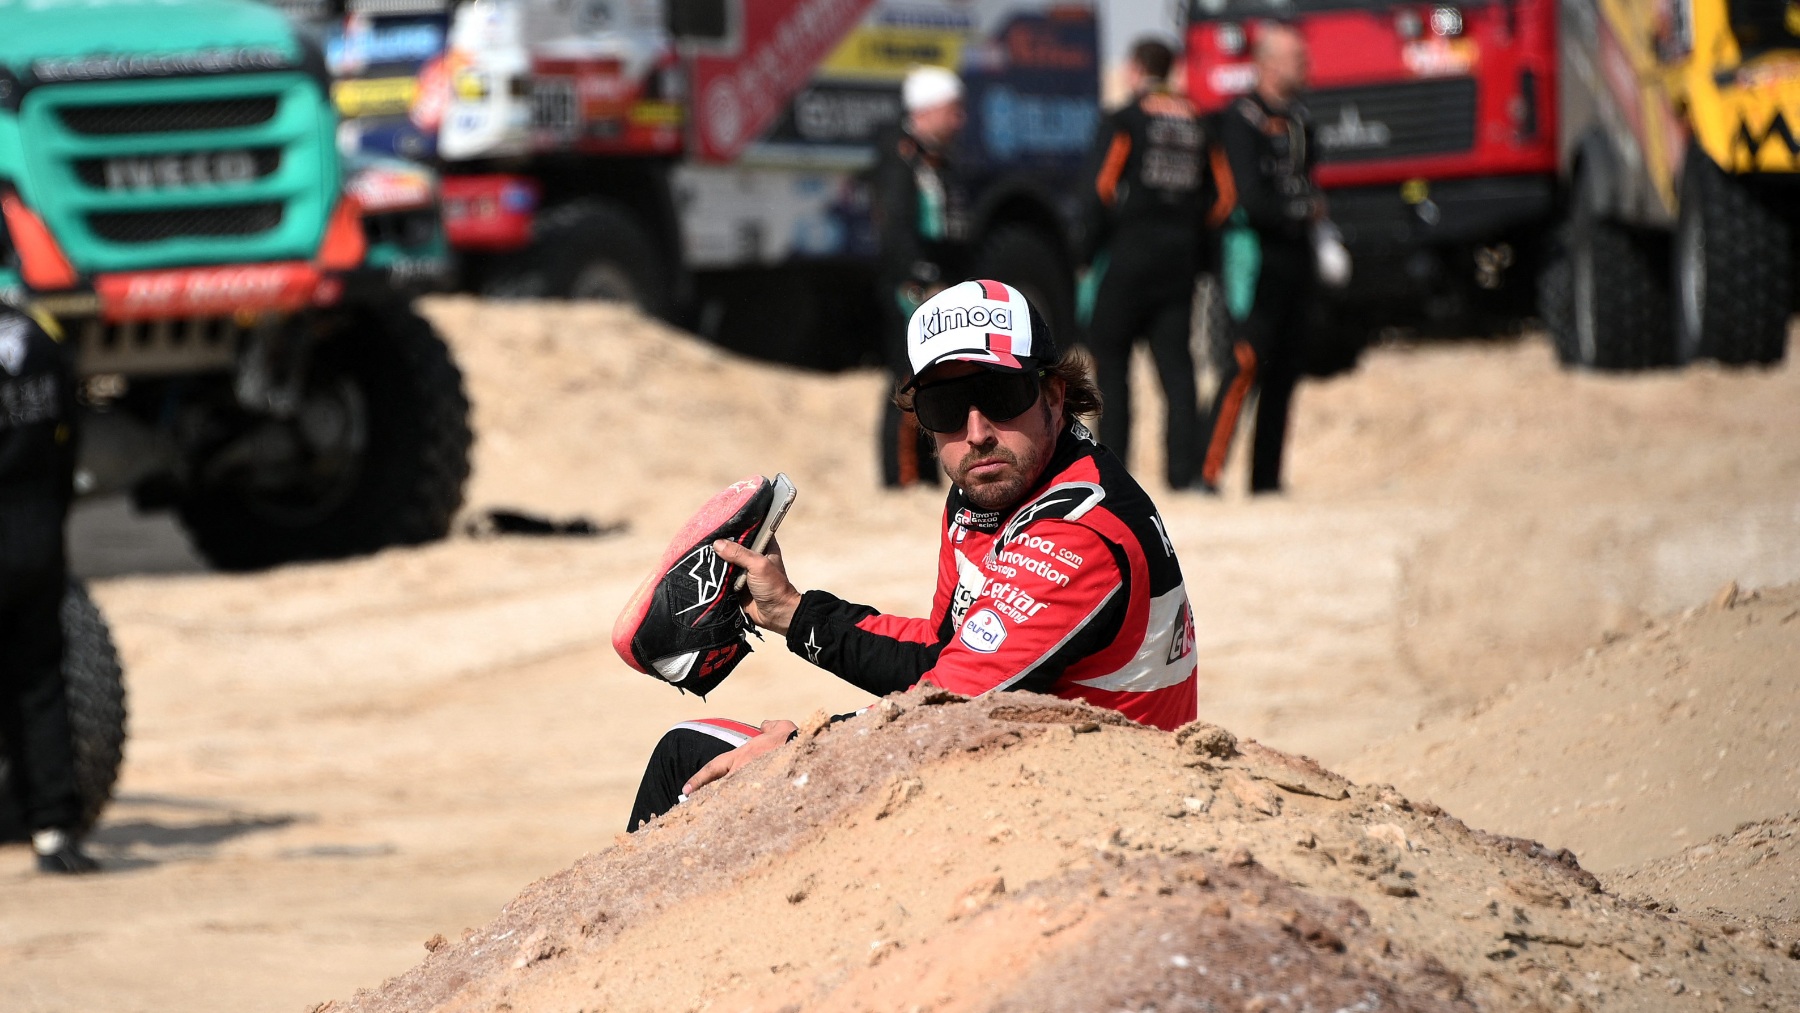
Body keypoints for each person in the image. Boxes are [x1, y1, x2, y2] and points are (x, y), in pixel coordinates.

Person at [627, 280, 1199, 831]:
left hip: (1088, 813)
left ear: (1053, 395)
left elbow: (946, 706)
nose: (976, 433)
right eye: (946, 406)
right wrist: (792, 612)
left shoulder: (1076, 533)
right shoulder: (990, 492)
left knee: (690, 760)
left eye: (1001, 396)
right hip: (1023, 769)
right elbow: (945, 656)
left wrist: (798, 752)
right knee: (710, 754)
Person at [1082, 38, 1235, 490]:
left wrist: (1088, 250)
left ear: (1134, 69)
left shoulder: (1127, 117)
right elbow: (1225, 198)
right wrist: (1193, 236)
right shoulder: (1200, 121)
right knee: (1177, 370)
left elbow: (1101, 189)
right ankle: (1183, 476)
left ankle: (1111, 476)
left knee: (1111, 363)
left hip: (1130, 256)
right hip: (1181, 260)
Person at [1197, 23, 1321, 495]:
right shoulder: (1241, 118)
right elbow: (1249, 197)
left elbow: (1308, 182)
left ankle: (1266, 480)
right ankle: (1206, 473)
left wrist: (1308, 213)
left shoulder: (1302, 119)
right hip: (1252, 255)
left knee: (1286, 367)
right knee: (1245, 360)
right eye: (1296, 59)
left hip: (1297, 256)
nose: (1305, 67)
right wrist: (1300, 209)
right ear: (1267, 64)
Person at [0, 307, 98, 874]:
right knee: (40, 679)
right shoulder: (40, 332)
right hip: (37, 528)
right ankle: (53, 830)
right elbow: (70, 430)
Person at [872, 65, 971, 489]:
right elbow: (895, 227)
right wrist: (922, 276)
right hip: (910, 288)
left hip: (941, 284)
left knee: (935, 378)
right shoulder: (901, 160)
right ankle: (903, 478)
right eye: (953, 109)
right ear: (927, 111)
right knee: (907, 379)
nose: (960, 119)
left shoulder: (940, 161)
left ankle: (930, 474)